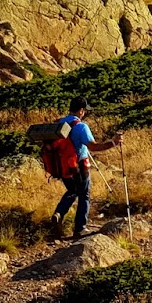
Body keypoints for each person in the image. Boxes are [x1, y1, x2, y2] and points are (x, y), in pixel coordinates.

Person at [51, 96, 120, 239]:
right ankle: (80, 228)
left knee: (72, 190)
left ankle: (59, 213)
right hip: (79, 167)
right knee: (84, 195)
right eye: (85, 110)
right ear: (81, 111)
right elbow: (93, 147)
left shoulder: (59, 123)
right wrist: (113, 143)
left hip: (62, 167)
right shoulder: (81, 126)